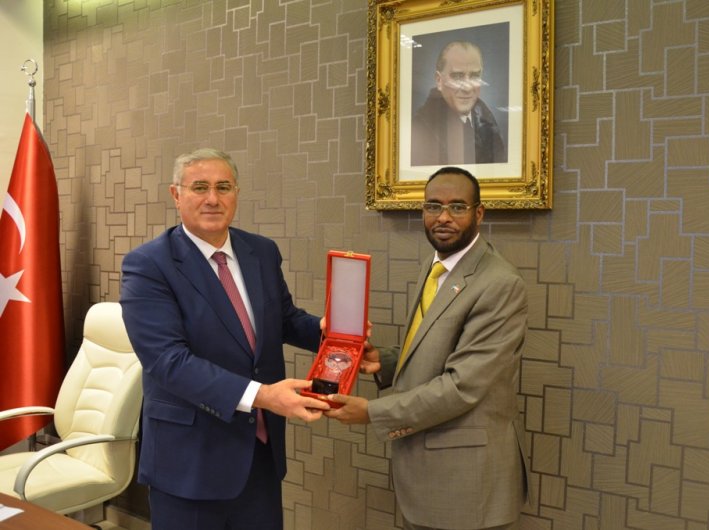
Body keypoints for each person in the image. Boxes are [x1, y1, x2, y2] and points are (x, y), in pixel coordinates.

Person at [120, 148, 330, 530]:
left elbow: (284, 319)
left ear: (237, 193)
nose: (213, 199)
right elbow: (168, 362)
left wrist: (332, 336)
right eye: (200, 187)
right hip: (189, 463)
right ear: (176, 194)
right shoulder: (149, 265)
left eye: (223, 187)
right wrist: (264, 396)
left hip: (259, 453)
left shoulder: (261, 251)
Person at [326, 167, 528, 530]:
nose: (443, 217)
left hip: (466, 484)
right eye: (433, 206)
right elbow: (435, 344)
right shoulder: (435, 267)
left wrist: (372, 412)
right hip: (426, 476)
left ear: (479, 213)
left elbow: (462, 386)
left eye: (457, 207)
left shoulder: (500, 284)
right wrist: (387, 361)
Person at [411, 41, 507, 166]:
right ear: (439, 81)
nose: (467, 88)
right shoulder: (419, 129)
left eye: (474, 76)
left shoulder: (488, 124)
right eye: (457, 76)